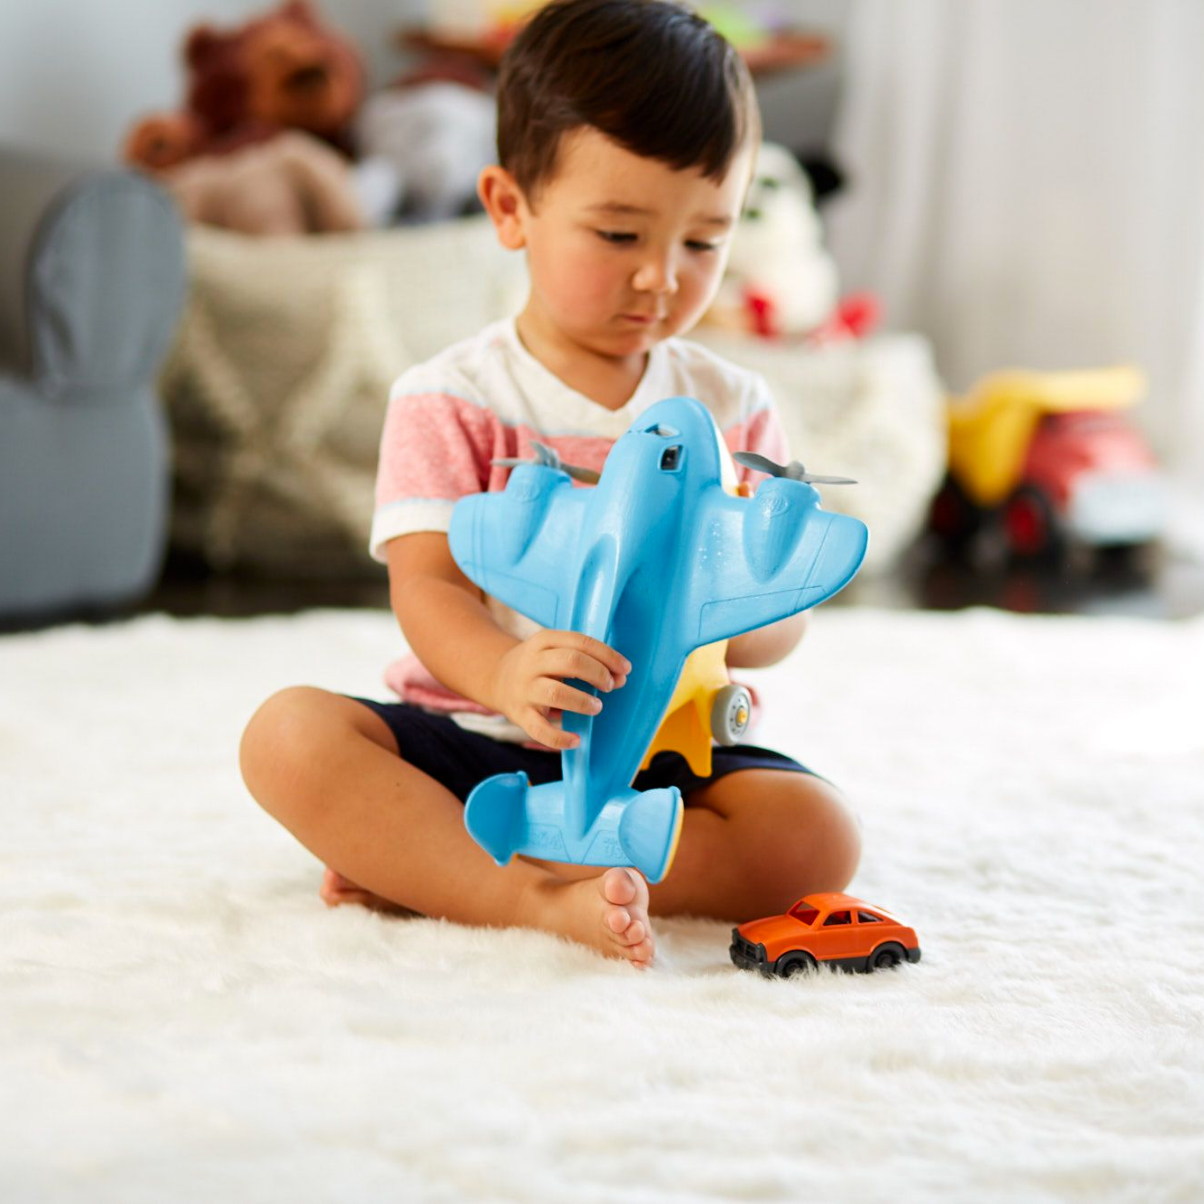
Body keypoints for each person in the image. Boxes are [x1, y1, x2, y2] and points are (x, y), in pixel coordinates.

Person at [240, 0, 861, 969]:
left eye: (704, 240)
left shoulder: (733, 405)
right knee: (287, 735)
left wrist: (754, 581)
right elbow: (430, 585)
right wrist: (503, 675)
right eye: (618, 234)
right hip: (478, 735)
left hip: (666, 755)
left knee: (817, 837)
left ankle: (432, 866)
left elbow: (774, 636)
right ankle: (525, 896)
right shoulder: (451, 397)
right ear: (509, 209)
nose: (661, 278)